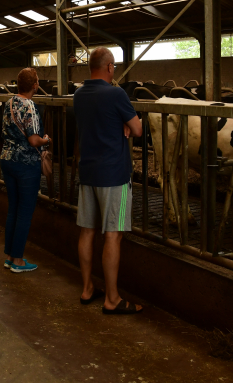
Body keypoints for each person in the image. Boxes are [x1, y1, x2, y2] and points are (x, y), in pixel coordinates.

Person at [74, 48, 143, 315]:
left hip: (87, 172)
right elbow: (136, 129)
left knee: (87, 231)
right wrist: (124, 124)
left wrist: (118, 123)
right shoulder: (116, 93)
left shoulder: (79, 94)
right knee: (113, 235)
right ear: (110, 68)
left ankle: (87, 288)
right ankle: (112, 299)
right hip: (114, 175)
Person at [0, 68, 50, 273]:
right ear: (34, 85)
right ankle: (18, 260)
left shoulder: (9, 103)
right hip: (26, 163)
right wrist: (46, 140)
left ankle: (10, 256)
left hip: (7, 159)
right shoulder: (29, 106)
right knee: (25, 212)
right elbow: (33, 139)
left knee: (13, 209)